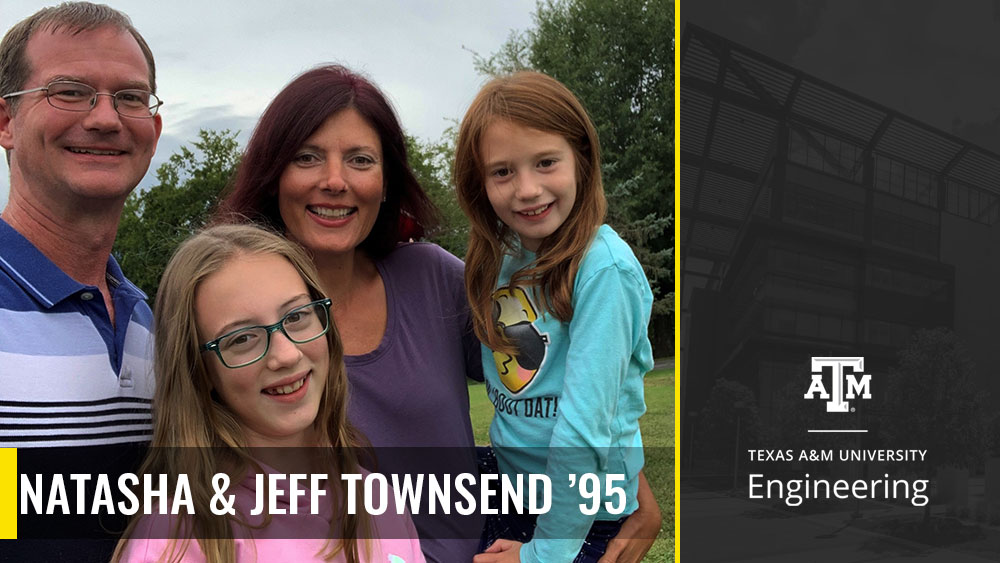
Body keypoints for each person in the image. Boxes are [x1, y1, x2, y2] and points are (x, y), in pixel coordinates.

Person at [215, 65, 484, 562]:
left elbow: (542, 383)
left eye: (360, 160)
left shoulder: (435, 279)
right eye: (307, 157)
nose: (334, 181)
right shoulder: (223, 313)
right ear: (274, 176)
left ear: (387, 184)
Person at [113, 224, 425, 563]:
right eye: (242, 338)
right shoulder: (179, 538)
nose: (287, 355)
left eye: (297, 316)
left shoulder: (377, 498)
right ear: (199, 372)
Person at [453, 71, 657, 563]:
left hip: (580, 517)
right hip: (514, 490)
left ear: (581, 160)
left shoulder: (604, 269)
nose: (527, 189)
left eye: (546, 162)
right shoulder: (500, 261)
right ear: (479, 184)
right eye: (502, 172)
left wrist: (542, 556)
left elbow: (585, 429)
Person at [0, 2, 162, 560]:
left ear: (154, 129)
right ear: (5, 122)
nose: (105, 118)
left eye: (131, 97)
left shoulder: (150, 322)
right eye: (69, 91)